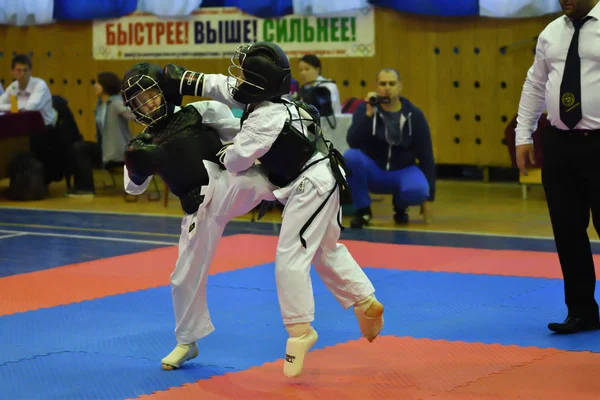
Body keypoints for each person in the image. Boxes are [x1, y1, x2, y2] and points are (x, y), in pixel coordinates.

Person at [160, 41, 385, 378]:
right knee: (324, 249)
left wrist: (224, 151)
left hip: (311, 185)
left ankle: (300, 330)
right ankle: (365, 301)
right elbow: (225, 86)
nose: (237, 79)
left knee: (290, 255)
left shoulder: (263, 120)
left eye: (244, 74)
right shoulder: (276, 100)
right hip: (321, 177)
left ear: (257, 83)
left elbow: (237, 162)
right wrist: (185, 81)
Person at [120, 62, 278, 370]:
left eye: (151, 95)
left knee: (282, 179)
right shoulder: (143, 143)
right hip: (198, 209)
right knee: (182, 278)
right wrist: (138, 163)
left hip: (228, 184)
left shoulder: (200, 111)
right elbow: (133, 187)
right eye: (141, 102)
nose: (149, 104)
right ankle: (186, 342)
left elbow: (246, 136)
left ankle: (310, 183)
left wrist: (263, 164)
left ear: (164, 91)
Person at [515, 0, 600, 334]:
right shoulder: (551, 32)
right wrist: (524, 134)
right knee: (567, 231)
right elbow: (535, 85)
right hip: (560, 143)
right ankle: (581, 311)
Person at [345, 68, 435, 228]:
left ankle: (400, 206)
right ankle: (363, 210)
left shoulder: (415, 115)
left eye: (392, 83)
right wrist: (368, 115)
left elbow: (426, 155)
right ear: (376, 87)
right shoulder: (365, 110)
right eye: (383, 84)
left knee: (420, 190)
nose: (387, 88)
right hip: (374, 170)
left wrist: (430, 197)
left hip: (403, 170)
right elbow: (353, 141)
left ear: (400, 86)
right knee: (350, 157)